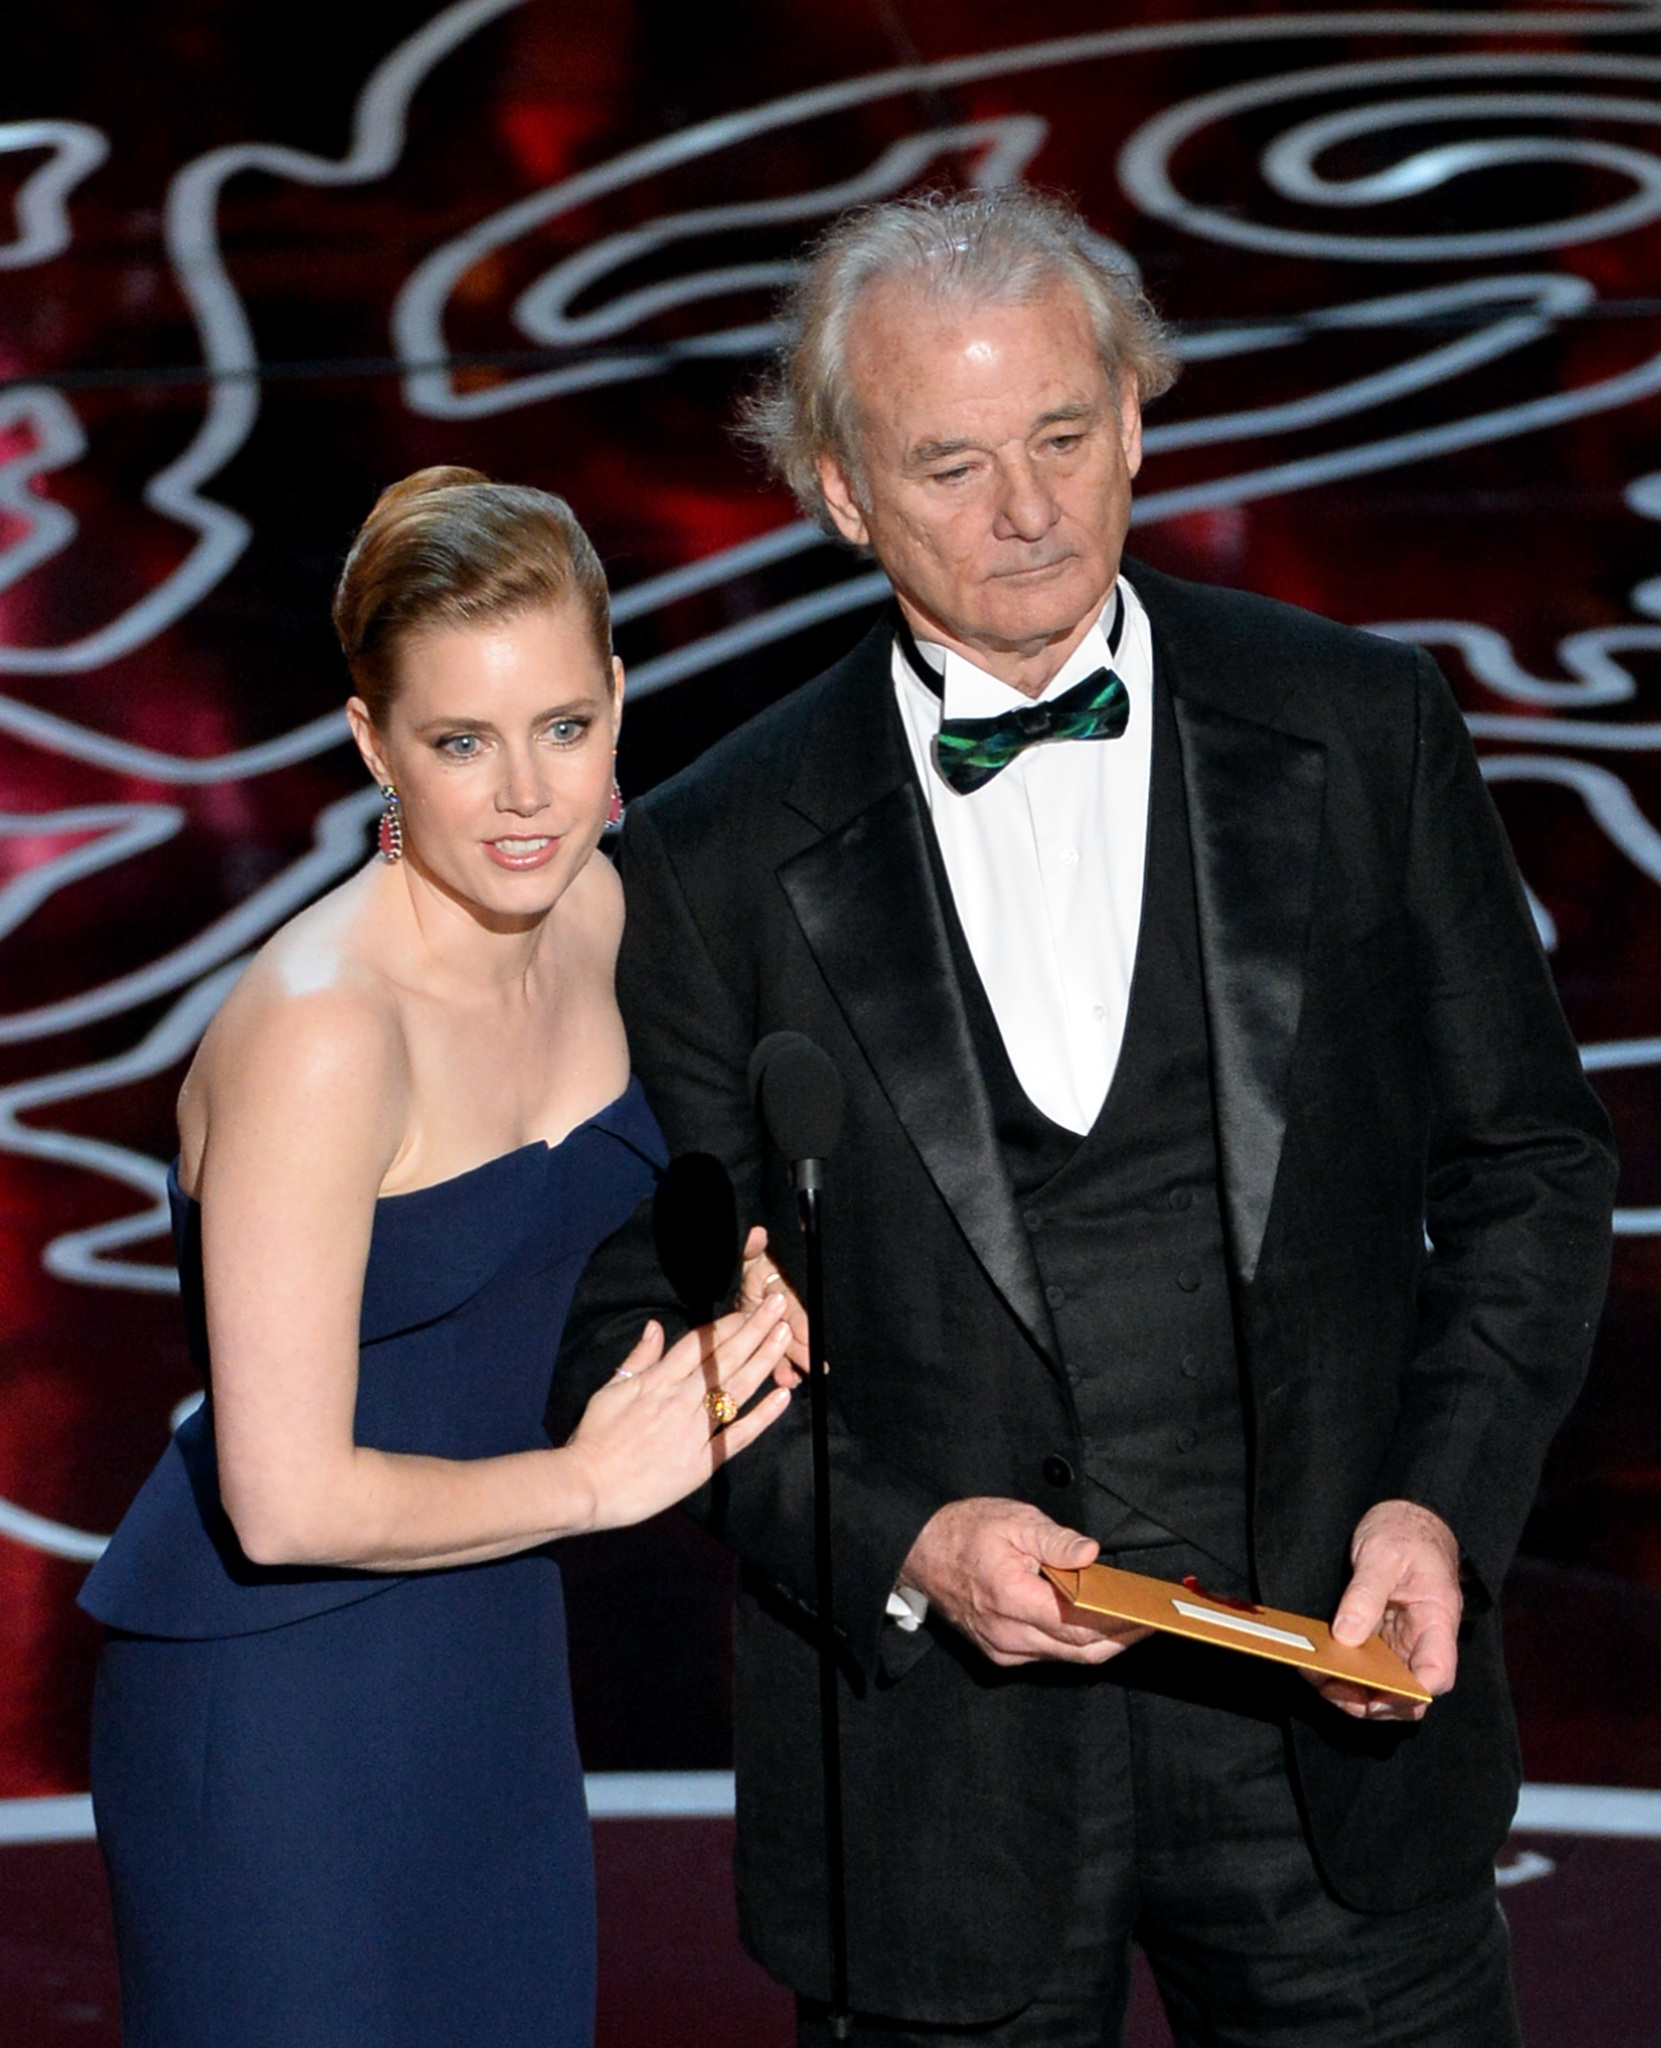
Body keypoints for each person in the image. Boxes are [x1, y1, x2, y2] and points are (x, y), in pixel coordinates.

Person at [556, 191, 1618, 2046]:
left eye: (1061, 436)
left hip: (1334, 1737)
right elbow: (631, 1330)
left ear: (1136, 416)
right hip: (934, 1794)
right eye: (951, 463)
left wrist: (1437, 1511)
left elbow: (1531, 1168)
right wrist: (895, 1538)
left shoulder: (1361, 728)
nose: (1027, 510)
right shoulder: (712, 858)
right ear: (837, 488)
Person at [78, 468, 800, 2048]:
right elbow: (284, 1500)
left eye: (561, 725)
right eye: (460, 743)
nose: (526, 795)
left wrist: (750, 1286)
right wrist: (593, 1488)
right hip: (275, 1701)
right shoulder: (327, 1032)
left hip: (488, 1645)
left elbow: (627, 1208)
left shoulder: (603, 909)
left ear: (618, 701)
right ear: (370, 745)